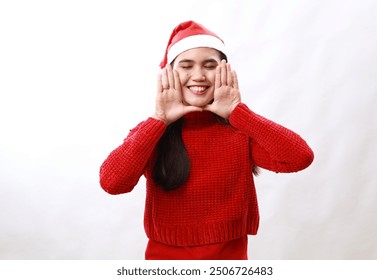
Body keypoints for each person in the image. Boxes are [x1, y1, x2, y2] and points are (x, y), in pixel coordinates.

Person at [99, 20, 314, 260]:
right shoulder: (152, 132)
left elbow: (300, 157)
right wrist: (159, 119)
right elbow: (112, 183)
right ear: (169, 74)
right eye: (186, 66)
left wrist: (237, 112)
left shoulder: (240, 130)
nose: (199, 75)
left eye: (210, 65)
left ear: (225, 71)